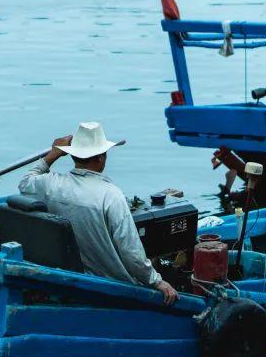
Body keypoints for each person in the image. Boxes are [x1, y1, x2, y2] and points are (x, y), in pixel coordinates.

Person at [19, 122, 180, 306]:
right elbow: (132, 255)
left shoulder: (51, 185)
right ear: (100, 158)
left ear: (72, 155)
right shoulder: (112, 196)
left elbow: (25, 182)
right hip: (113, 289)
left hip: (72, 281)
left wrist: (53, 154)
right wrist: (157, 281)